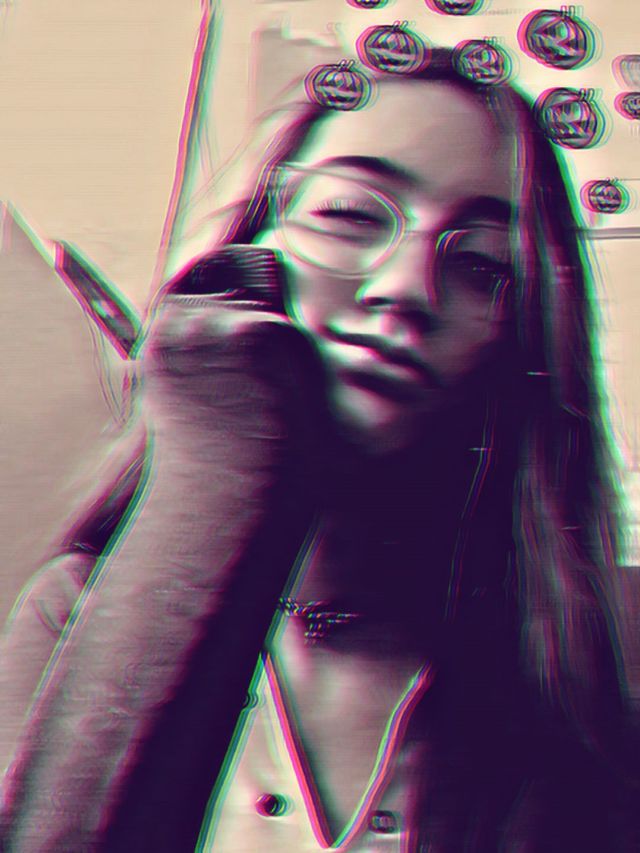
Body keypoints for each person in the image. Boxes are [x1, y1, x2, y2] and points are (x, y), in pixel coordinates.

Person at [0, 46, 637, 852]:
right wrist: (217, 473)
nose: (405, 290)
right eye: (349, 215)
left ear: (522, 344)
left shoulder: (592, 662)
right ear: (246, 258)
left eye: (481, 263)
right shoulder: (71, 613)